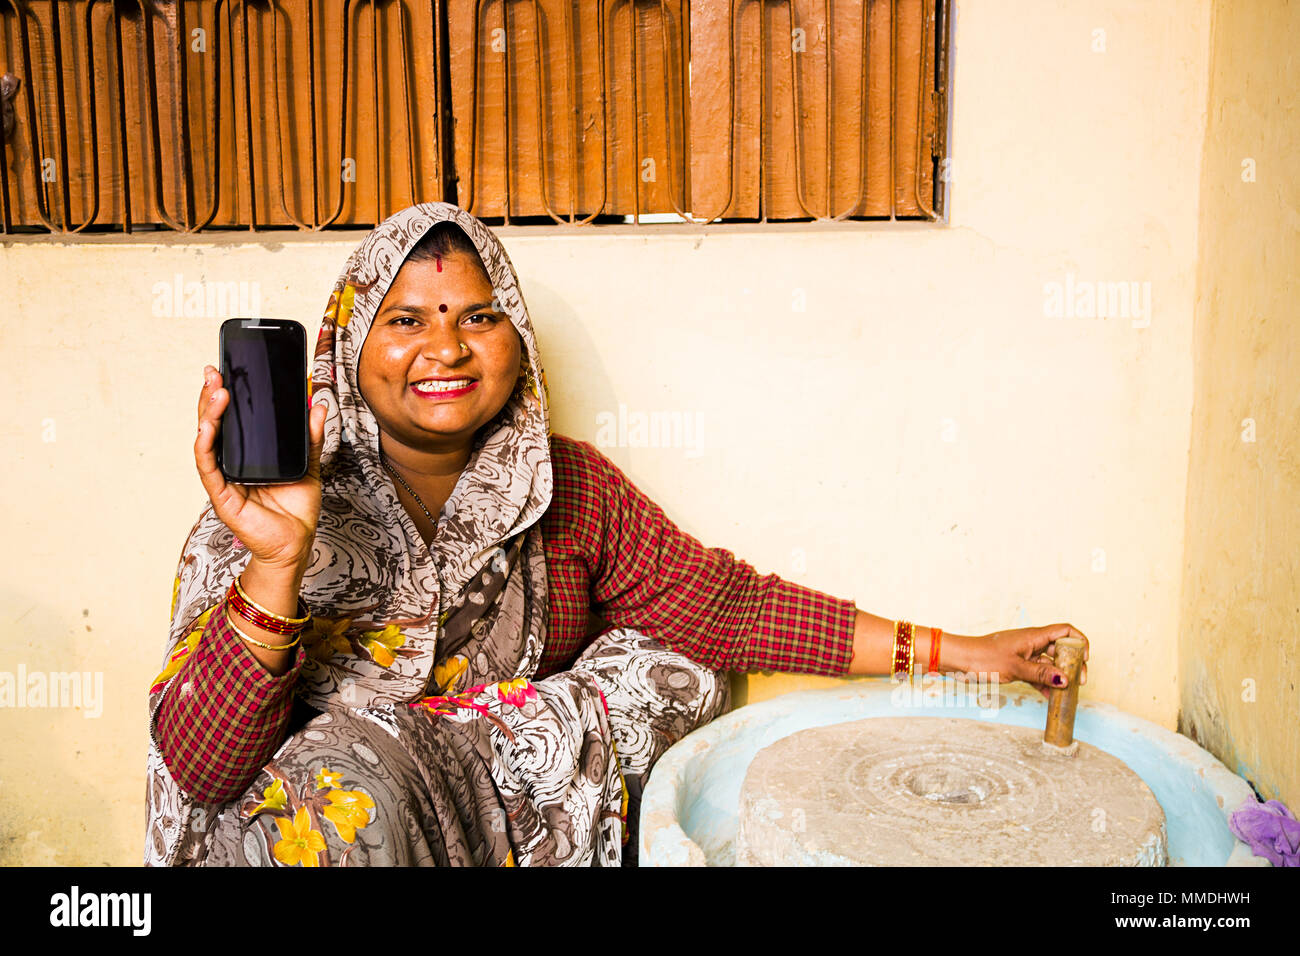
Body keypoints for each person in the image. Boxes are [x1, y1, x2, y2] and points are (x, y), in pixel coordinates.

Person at [145, 201, 1089, 867]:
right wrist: (276, 563)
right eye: (405, 321)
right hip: (299, 840)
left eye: (481, 316)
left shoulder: (570, 489)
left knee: (676, 665)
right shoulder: (272, 496)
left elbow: (731, 608)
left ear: (517, 342)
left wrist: (969, 653)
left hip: (479, 827)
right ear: (349, 346)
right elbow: (199, 763)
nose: (447, 348)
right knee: (343, 790)